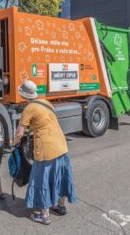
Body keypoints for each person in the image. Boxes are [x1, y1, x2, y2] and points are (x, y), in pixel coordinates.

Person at [14, 80, 76, 225]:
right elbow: (44, 122)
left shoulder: (29, 108)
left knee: (42, 179)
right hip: (60, 144)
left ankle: (44, 215)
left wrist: (14, 143)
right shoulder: (45, 102)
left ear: (23, 95)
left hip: (46, 148)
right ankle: (60, 206)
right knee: (60, 175)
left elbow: (19, 133)